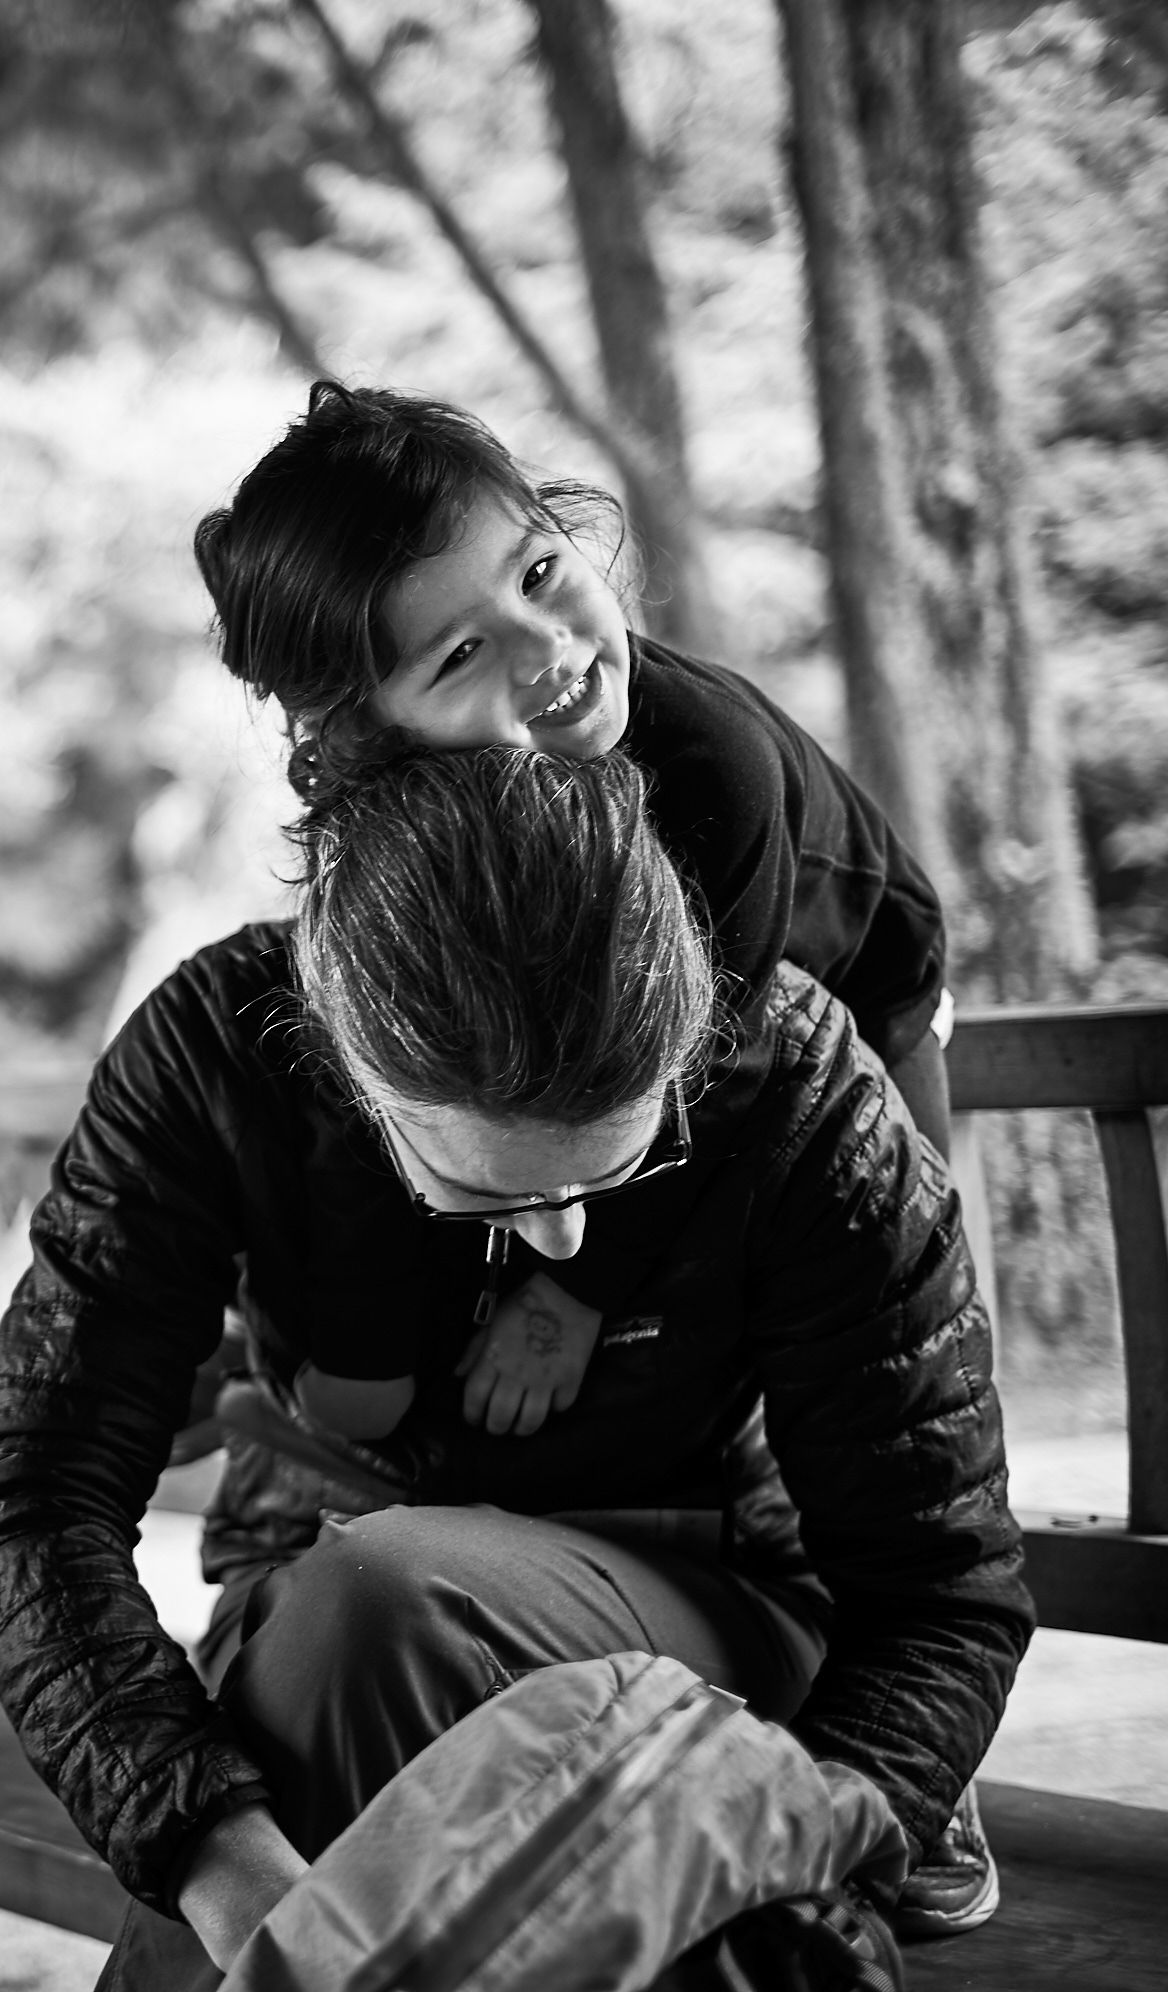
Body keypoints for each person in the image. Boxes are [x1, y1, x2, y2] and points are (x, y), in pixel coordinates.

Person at [0, 747, 1033, 1988]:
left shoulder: (800, 1082)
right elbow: (35, 1495)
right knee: (344, 1631)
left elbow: (939, 1588)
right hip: (320, 1612)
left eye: (616, 1172)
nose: (563, 1238)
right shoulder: (214, 1052)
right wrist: (235, 1880)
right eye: (493, 1190)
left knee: (372, 1606)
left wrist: (801, 1865)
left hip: (705, 1611)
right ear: (351, 1068)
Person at [195, 383, 998, 1938]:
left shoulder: (710, 772)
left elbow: (694, 1099)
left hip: (844, 998)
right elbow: (396, 1099)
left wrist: (569, 1303)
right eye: (460, 653)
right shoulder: (404, 828)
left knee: (901, 1328)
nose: (551, 652)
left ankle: (910, 1739)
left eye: (540, 575)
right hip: (623, 1047)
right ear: (368, 730)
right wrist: (347, 1351)